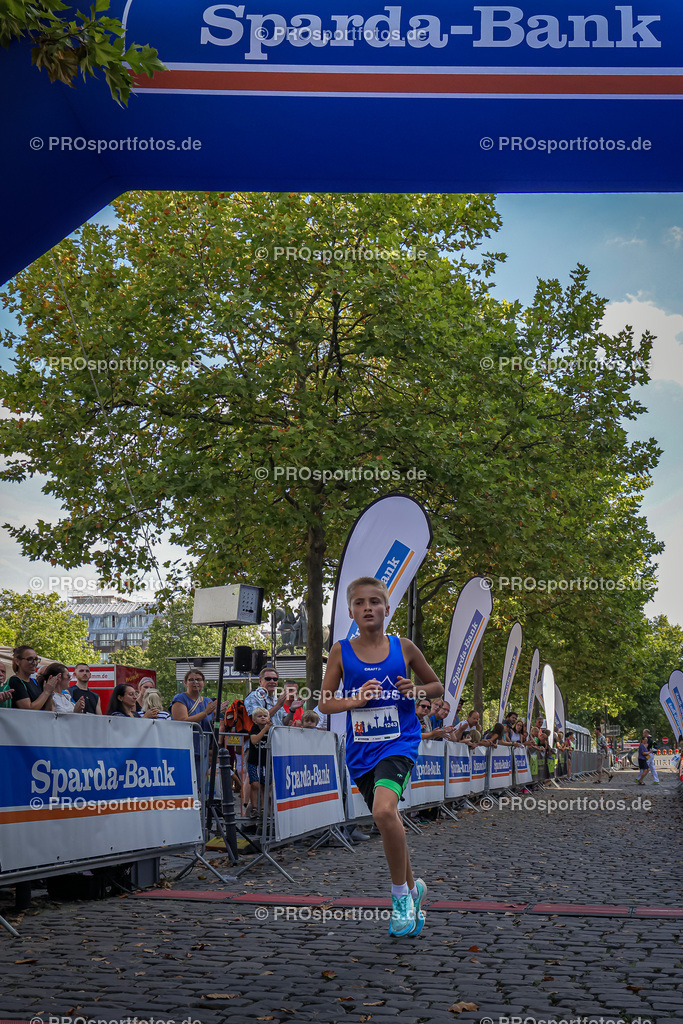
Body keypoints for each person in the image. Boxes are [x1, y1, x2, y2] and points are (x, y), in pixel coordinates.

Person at [319, 575, 444, 938]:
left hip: (399, 743)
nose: (368, 607)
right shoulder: (341, 651)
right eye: (360, 603)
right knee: (388, 821)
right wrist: (355, 699)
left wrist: (416, 689)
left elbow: (436, 686)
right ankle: (413, 887)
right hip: (361, 751)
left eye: (375, 601)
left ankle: (400, 899)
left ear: (387, 609)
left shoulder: (403, 646)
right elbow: (325, 702)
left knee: (384, 811)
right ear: (350, 612)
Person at [8, 646, 57, 711]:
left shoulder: (34, 682)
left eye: (36, 659)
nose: (34, 663)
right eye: (30, 659)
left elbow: (48, 711)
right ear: (17, 661)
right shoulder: (15, 681)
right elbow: (28, 709)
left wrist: (49, 692)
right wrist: (46, 692)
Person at [247, 707, 271, 817]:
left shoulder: (271, 729)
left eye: (265, 716)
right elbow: (254, 740)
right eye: (259, 716)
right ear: (254, 719)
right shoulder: (254, 728)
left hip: (265, 762)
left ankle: (263, 808)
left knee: (264, 785)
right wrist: (264, 730)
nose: (262, 718)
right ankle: (254, 807)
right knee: (255, 784)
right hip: (254, 761)